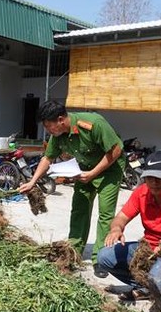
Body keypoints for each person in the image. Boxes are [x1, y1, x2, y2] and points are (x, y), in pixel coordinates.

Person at [18, 100, 124, 267]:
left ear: (61, 120)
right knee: (79, 209)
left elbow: (116, 150)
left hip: (109, 169)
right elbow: (48, 157)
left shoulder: (93, 124)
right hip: (83, 171)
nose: (48, 130)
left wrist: (93, 173)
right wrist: (32, 181)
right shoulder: (58, 135)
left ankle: (100, 259)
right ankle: (73, 252)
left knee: (105, 213)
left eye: (48, 126)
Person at [97, 150, 161, 312]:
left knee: (160, 282)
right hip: (147, 249)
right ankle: (146, 288)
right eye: (150, 177)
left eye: (160, 178)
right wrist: (116, 229)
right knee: (104, 257)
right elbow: (121, 217)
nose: (154, 183)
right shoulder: (142, 192)